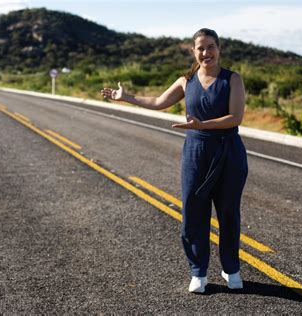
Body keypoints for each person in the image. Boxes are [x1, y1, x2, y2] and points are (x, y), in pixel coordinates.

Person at [100, 28, 248, 294]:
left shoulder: (232, 80)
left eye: (211, 47)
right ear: (193, 51)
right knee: (193, 212)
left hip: (228, 152)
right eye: (201, 48)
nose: (206, 53)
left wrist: (204, 124)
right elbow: (158, 102)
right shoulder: (185, 81)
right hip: (195, 151)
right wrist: (127, 98)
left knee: (228, 213)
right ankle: (198, 272)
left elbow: (235, 118)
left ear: (219, 48)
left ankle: (231, 269)